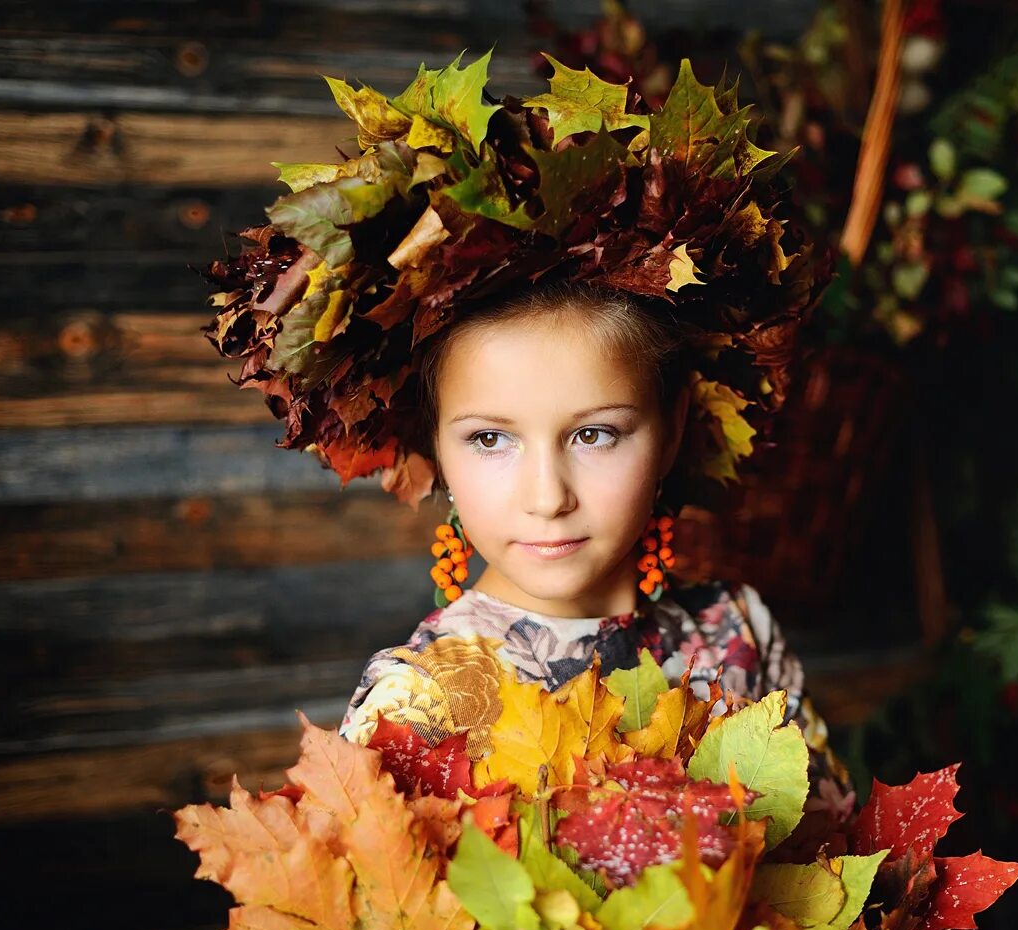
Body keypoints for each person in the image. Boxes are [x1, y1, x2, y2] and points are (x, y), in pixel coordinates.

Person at [199, 52, 857, 830]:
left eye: (595, 433)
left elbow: (834, 868)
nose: (548, 495)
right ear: (433, 442)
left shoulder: (737, 633)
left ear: (675, 424)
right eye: (489, 439)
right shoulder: (421, 702)